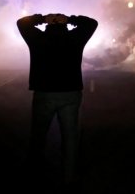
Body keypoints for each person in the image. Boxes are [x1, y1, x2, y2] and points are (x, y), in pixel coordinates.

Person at [17, 13, 98, 189]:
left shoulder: (37, 38)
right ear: (64, 27)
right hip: (70, 93)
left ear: (47, 27)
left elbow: (21, 23)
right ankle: (69, 179)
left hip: (44, 93)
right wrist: (69, 19)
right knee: (70, 139)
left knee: (38, 137)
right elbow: (92, 23)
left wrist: (43, 18)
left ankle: (34, 175)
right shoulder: (75, 38)